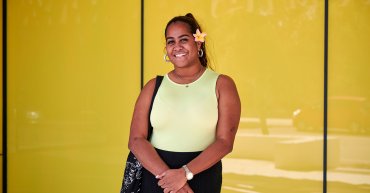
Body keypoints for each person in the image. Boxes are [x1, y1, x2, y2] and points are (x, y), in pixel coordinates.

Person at [128, 13, 241, 193]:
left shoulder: (222, 84)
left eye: (183, 39)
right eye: (171, 41)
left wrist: (184, 174)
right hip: (157, 178)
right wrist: (170, 178)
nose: (177, 46)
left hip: (202, 178)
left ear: (198, 43)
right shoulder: (153, 86)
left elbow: (225, 142)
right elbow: (135, 140)